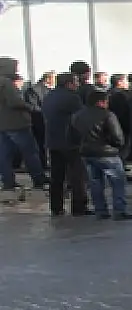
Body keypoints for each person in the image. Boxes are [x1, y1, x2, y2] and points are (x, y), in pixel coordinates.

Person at [69, 90, 132, 220]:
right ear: (101, 102)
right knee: (118, 182)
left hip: (86, 153)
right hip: (107, 153)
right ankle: (120, 210)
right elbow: (118, 137)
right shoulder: (108, 115)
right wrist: (118, 146)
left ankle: (100, 210)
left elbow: (71, 136)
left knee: (95, 183)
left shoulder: (77, 116)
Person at [41, 73, 90, 216]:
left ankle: (56, 207)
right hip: (70, 141)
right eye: (75, 82)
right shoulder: (72, 97)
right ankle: (79, 206)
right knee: (77, 175)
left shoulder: (49, 96)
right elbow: (80, 118)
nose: (77, 85)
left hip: (52, 140)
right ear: (69, 83)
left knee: (56, 176)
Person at [0, 57, 47, 190]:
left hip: (2, 124)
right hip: (16, 123)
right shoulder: (6, 83)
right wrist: (31, 108)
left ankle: (8, 182)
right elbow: (15, 102)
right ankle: (38, 179)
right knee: (30, 152)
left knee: (4, 154)